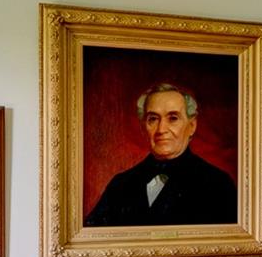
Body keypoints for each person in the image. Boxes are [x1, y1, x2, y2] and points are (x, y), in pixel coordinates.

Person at [85, 82, 237, 227]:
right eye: (153, 119)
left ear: (191, 126)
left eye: (173, 118)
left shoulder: (218, 184)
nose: (161, 129)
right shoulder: (120, 184)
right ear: (143, 127)